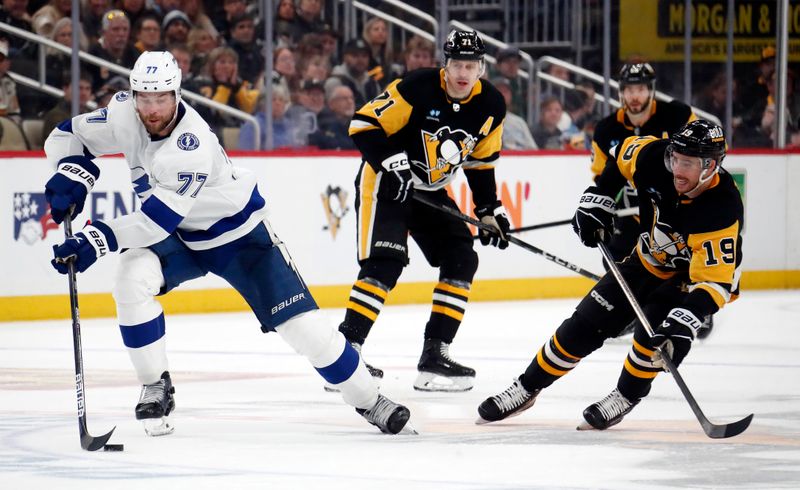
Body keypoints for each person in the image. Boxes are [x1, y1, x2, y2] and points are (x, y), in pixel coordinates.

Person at [42, 50, 411, 436]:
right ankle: (155, 384)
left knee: (306, 330)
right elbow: (68, 135)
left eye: (162, 98)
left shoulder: (190, 145)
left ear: (177, 94)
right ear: (133, 94)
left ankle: (371, 400)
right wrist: (73, 172)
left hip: (240, 238)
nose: (152, 109)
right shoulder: (123, 113)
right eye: (144, 98)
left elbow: (155, 221)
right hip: (181, 236)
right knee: (130, 281)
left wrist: (95, 240)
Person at [477, 120, 742, 431]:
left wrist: (686, 320)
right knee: (583, 325)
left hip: (689, 281)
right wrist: (600, 196)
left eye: (688, 163)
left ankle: (625, 396)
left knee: (652, 339)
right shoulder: (653, 157)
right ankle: (526, 387)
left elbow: (715, 282)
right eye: (675, 158)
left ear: (710, 166)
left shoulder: (721, 206)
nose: (677, 170)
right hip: (646, 259)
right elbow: (620, 156)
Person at [333, 30, 507, 393]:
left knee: (462, 257)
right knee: (385, 263)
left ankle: (435, 357)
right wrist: (392, 163)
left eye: (470, 65)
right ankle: (345, 358)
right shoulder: (416, 87)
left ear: (481, 68)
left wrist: (489, 210)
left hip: (429, 190)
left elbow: (480, 163)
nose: (463, 72)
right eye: (457, 63)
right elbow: (363, 125)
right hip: (386, 183)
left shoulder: (491, 105)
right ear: (446, 64)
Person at [590, 63, 709, 336]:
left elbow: (705, 157)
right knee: (617, 258)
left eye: (641, 89)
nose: (635, 96)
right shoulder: (607, 129)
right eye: (629, 89)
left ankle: (694, 305)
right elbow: (600, 176)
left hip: (672, 210)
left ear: (651, 91)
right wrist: (609, 203)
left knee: (683, 255)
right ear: (621, 93)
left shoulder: (677, 116)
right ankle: (629, 309)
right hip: (630, 215)